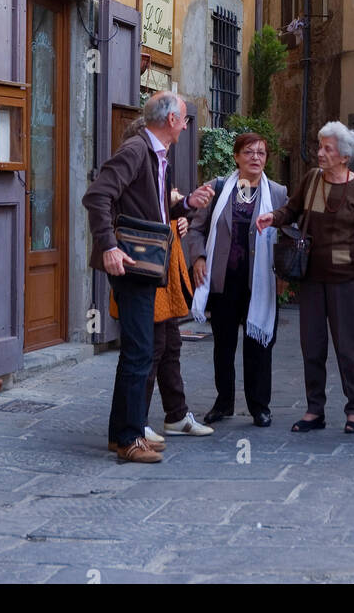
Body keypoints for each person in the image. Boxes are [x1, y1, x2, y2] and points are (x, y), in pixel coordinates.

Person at [83, 92, 213, 463]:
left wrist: (187, 204)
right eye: (185, 119)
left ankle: (122, 432)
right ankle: (128, 439)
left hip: (145, 262)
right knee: (139, 352)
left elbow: (155, 207)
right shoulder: (137, 150)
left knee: (138, 352)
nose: (186, 127)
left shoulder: (157, 156)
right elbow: (97, 196)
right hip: (132, 263)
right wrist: (108, 245)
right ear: (171, 120)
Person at [257, 121, 354, 434]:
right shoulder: (312, 179)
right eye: (320, 146)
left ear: (344, 156)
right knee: (312, 346)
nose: (320, 153)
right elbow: (293, 210)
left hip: (346, 280)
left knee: (348, 348)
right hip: (311, 276)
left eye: (327, 148)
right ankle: (315, 410)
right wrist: (274, 217)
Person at [188, 133, 288, 427]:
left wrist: (285, 272)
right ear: (236, 156)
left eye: (261, 153)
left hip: (261, 282)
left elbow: (293, 230)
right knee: (223, 345)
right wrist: (199, 258)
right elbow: (196, 229)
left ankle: (260, 406)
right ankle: (224, 402)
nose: (255, 158)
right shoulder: (218, 188)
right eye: (248, 152)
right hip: (224, 280)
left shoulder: (278, 193)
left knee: (259, 344)